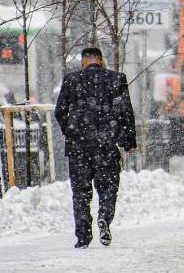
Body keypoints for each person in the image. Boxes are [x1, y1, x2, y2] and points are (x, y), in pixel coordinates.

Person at [55, 47, 137, 249]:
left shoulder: (71, 80)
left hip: (78, 147)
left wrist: (71, 131)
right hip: (106, 145)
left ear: (83, 62)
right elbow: (125, 110)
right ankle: (104, 217)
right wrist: (128, 140)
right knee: (108, 187)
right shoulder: (116, 79)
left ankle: (83, 236)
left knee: (81, 192)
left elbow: (60, 111)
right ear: (101, 61)